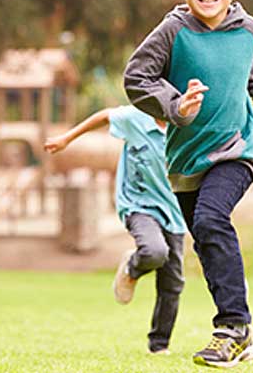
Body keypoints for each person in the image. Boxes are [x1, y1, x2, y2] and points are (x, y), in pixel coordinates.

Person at [123, 0, 253, 368]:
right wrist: (176, 105)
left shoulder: (248, 28)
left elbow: (247, 67)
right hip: (185, 159)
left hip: (235, 150)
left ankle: (232, 327)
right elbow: (137, 78)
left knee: (213, 219)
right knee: (207, 241)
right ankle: (240, 330)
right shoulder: (173, 31)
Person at [44, 105, 185, 355]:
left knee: (172, 283)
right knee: (155, 252)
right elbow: (104, 116)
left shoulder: (187, 127)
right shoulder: (136, 119)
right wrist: (67, 138)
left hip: (175, 212)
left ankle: (159, 345)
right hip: (139, 205)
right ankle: (132, 267)